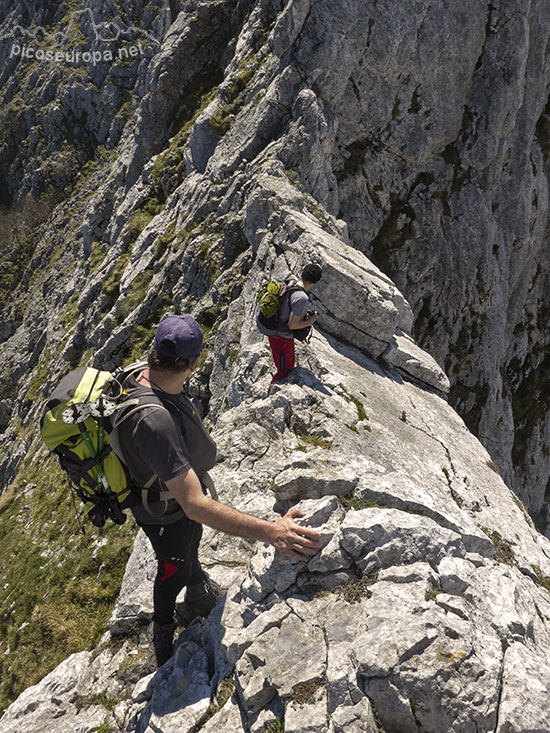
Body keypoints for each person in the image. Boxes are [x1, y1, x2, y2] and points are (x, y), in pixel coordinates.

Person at [117, 314, 321, 666]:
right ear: (195, 363)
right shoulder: (156, 423)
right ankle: (163, 627)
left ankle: (197, 592)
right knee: (172, 567)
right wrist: (273, 531)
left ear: (154, 350)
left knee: (188, 544)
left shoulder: (140, 374)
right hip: (162, 511)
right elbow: (193, 504)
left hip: (164, 497)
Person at [265, 263, 322, 384]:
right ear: (315, 283)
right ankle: (272, 389)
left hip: (274, 329)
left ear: (301, 273)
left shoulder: (290, 283)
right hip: (282, 337)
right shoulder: (302, 298)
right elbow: (293, 325)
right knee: (285, 369)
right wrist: (311, 320)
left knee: (283, 365)